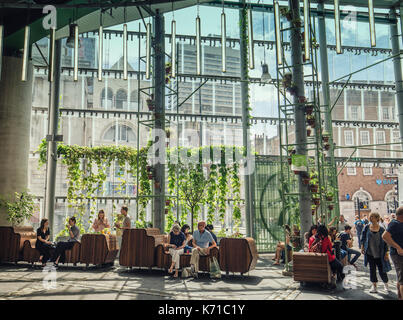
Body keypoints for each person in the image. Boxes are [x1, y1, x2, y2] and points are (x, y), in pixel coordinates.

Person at [361, 212, 391, 293]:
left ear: (377, 218)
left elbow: (386, 242)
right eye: (370, 217)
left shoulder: (381, 229)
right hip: (370, 253)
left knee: (382, 270)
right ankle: (374, 287)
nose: (371, 218)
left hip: (380, 253)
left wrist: (386, 253)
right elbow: (363, 238)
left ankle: (386, 284)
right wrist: (362, 247)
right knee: (372, 270)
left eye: (373, 217)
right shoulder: (367, 227)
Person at [382, 206, 403, 300]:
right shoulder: (394, 223)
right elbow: (385, 236)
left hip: (399, 254)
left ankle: (399, 297)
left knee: (400, 277)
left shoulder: (399, 224)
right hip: (398, 254)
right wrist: (398, 247)